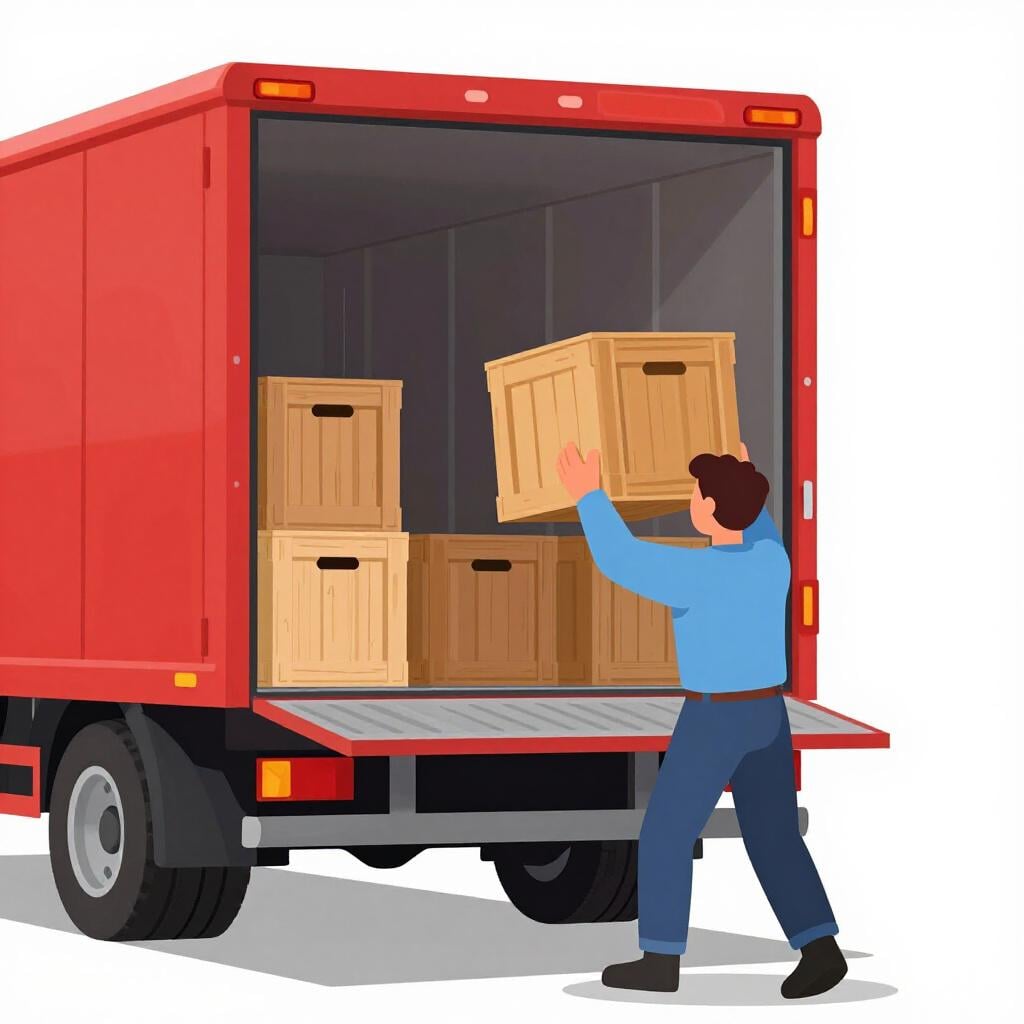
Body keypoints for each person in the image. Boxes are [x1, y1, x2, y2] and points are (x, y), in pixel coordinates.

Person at [555, 441, 848, 999]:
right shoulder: (771, 561)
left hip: (716, 720)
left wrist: (588, 495)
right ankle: (820, 949)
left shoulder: (697, 573)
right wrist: (745, 477)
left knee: (667, 832)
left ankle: (660, 960)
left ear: (712, 509)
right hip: (768, 714)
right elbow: (762, 531)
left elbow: (622, 559)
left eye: (697, 493)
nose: (691, 500)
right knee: (776, 836)